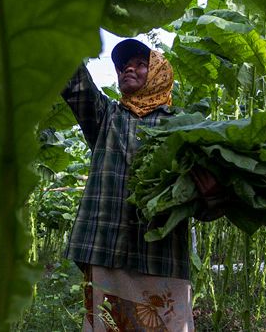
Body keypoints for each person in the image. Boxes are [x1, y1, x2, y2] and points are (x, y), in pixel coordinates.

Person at [61, 39, 193, 331]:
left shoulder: (182, 125)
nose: (128, 69)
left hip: (160, 253)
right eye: (123, 66)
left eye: (140, 64)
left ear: (159, 72)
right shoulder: (107, 116)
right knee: (107, 324)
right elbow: (76, 85)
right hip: (106, 247)